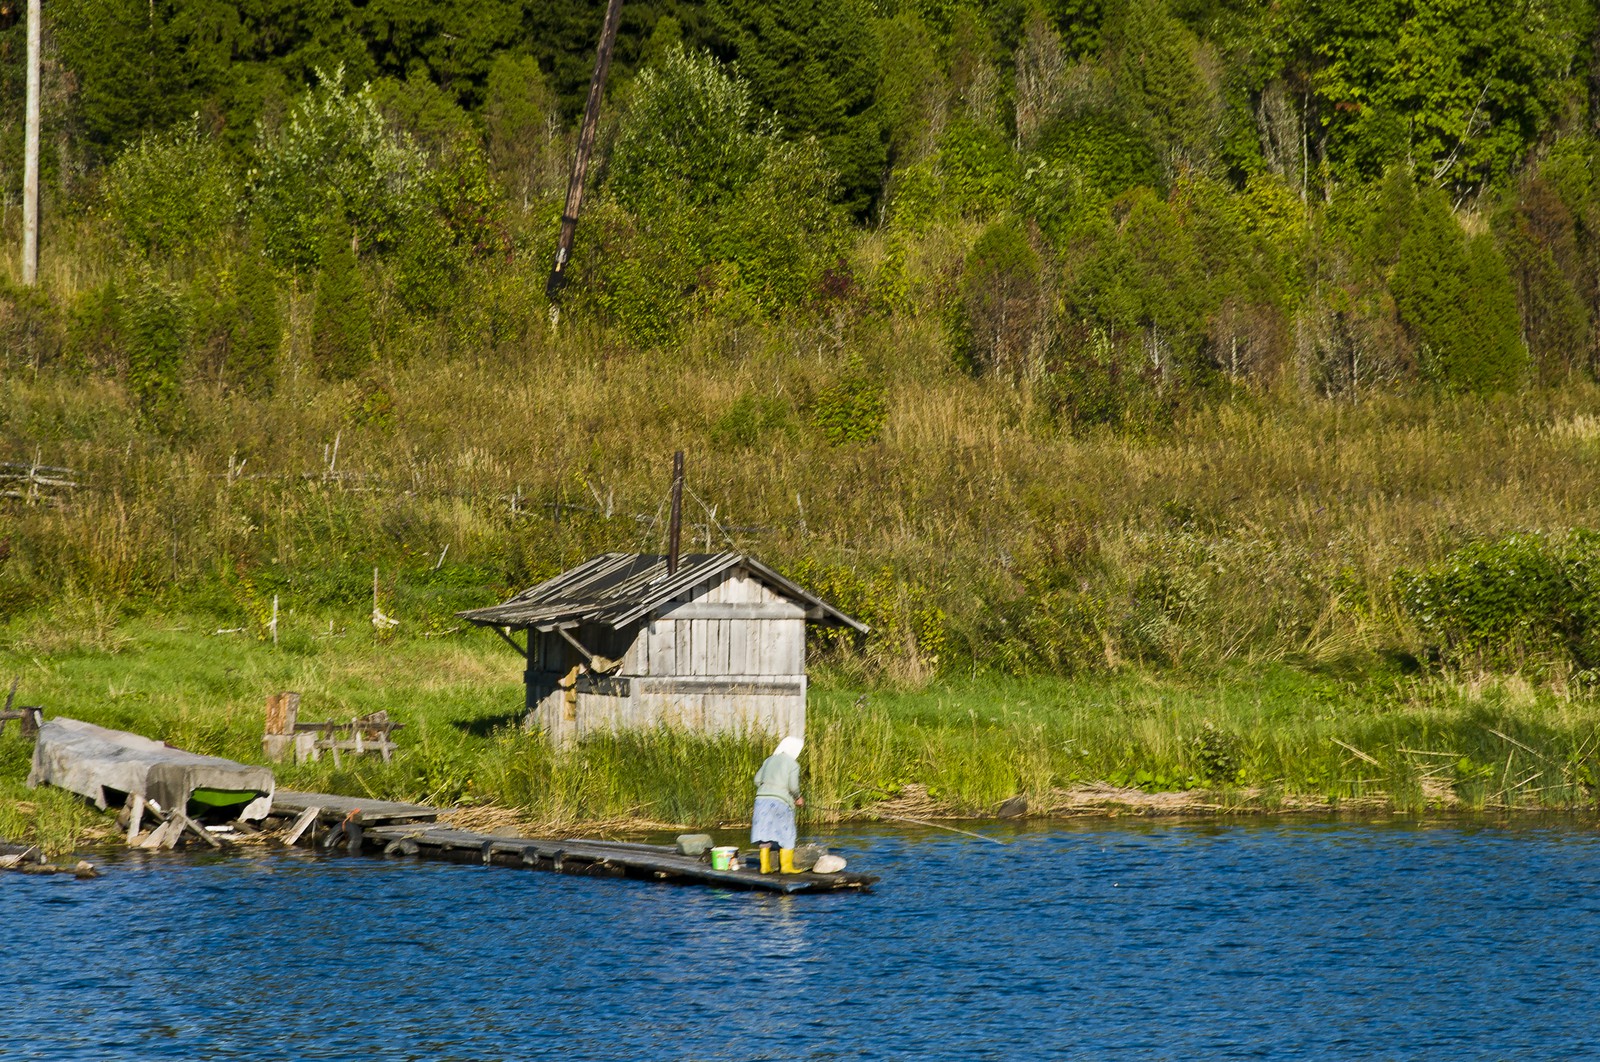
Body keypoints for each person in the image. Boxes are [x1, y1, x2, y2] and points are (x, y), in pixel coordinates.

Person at [751, 735, 804, 874]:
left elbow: (757, 780)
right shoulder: (793, 764)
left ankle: (764, 867)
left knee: (764, 832)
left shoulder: (768, 760)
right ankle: (786, 867)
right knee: (787, 832)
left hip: (761, 800)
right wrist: (798, 798)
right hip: (781, 801)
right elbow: (793, 786)